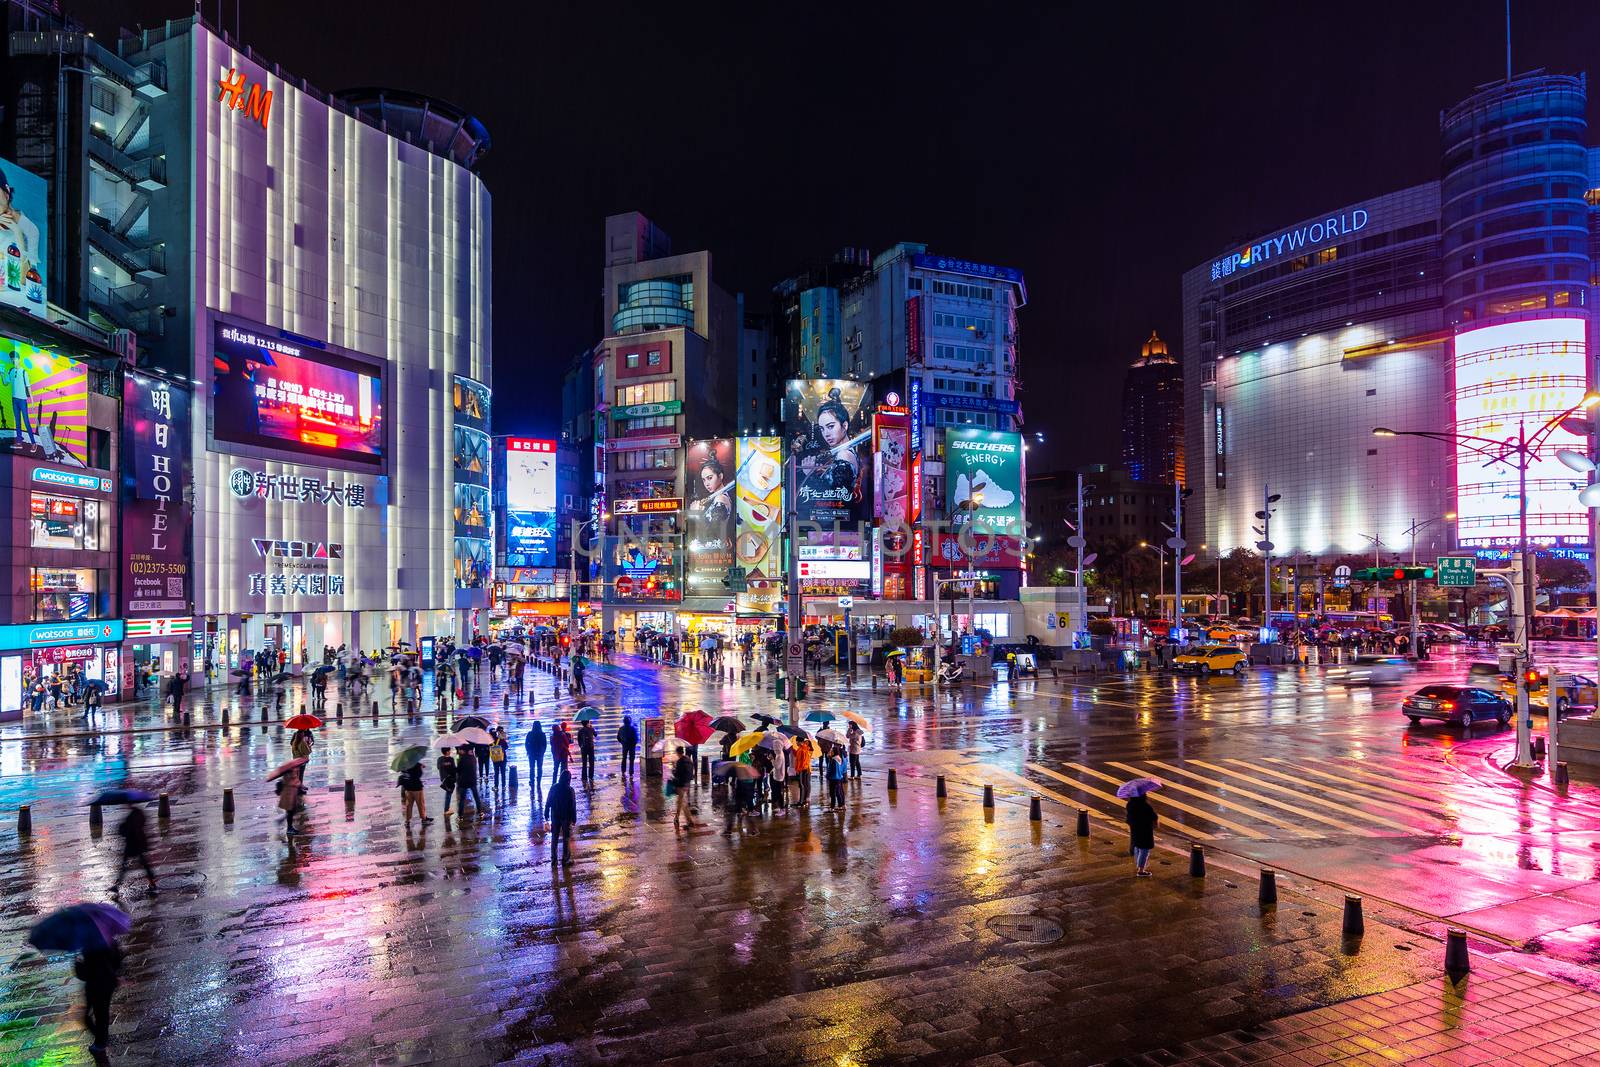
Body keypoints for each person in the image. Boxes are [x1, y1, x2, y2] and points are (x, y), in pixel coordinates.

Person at [76, 942, 122, 1063]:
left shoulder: (88, 946)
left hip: (96, 985)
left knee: (95, 1014)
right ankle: (102, 1039)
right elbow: (118, 961)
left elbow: (83, 974)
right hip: (109, 982)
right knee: (101, 1012)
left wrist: (78, 962)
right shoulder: (108, 940)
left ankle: (101, 1041)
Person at [110, 804, 157, 897]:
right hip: (136, 843)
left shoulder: (133, 815)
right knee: (143, 863)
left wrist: (123, 828)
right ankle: (151, 881)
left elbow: (131, 829)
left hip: (133, 844)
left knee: (126, 865)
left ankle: (117, 886)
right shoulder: (138, 813)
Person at [543, 768, 577, 865]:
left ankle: (554, 860)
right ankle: (565, 860)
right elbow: (572, 806)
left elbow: (548, 800)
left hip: (555, 816)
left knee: (555, 838)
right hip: (566, 818)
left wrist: (546, 812)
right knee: (566, 838)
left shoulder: (554, 787)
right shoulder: (570, 790)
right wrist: (574, 819)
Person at [1125, 788, 1158, 877]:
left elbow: (1128, 817)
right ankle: (1141, 870)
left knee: (1137, 846)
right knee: (1145, 849)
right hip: (1145, 830)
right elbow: (1154, 817)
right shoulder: (1145, 806)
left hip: (1135, 829)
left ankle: (1138, 865)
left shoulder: (1130, 804)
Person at [670, 746, 701, 830]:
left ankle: (679, 818)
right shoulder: (688, 760)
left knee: (681, 802)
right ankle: (687, 820)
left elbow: (677, 774)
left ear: (678, 752)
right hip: (686, 784)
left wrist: (673, 767)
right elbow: (691, 771)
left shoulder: (680, 762)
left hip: (681, 784)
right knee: (682, 802)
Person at [454, 744, 486, 818]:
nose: (459, 751)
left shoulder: (462, 759)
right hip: (472, 781)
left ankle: (460, 815)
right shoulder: (473, 758)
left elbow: (458, 770)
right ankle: (480, 812)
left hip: (463, 782)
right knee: (476, 797)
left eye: (460, 750)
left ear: (464, 750)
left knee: (462, 799)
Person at [398, 759, 432, 827]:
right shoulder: (416, 765)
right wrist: (420, 767)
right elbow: (419, 775)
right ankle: (424, 819)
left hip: (408, 788)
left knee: (408, 805)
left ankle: (407, 821)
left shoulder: (403, 765)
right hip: (417, 788)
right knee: (420, 804)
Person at [277, 763, 305, 836]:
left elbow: (296, 782)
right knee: (290, 812)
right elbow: (294, 782)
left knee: (291, 812)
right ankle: (289, 828)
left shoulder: (292, 772)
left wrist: (300, 785)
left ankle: (283, 821)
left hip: (291, 795)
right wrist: (299, 785)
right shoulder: (289, 773)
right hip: (288, 796)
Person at [525, 722, 547, 793]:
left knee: (532, 768)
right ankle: (539, 781)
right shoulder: (542, 734)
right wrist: (543, 752)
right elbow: (545, 744)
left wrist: (528, 750)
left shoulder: (530, 734)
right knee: (539, 768)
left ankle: (532, 780)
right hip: (540, 754)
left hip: (531, 753)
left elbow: (526, 743)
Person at [436, 747, 458, 816]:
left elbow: (438, 767)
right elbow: (454, 769)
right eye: (449, 750)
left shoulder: (439, 759)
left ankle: (447, 808)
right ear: (447, 752)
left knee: (448, 793)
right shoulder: (451, 759)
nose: (450, 751)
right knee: (449, 793)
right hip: (450, 779)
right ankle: (446, 809)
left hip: (443, 779)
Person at [827, 744, 848, 809]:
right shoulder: (839, 758)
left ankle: (832, 807)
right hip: (840, 777)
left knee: (833, 793)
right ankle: (841, 805)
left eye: (832, 751)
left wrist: (828, 776)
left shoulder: (833, 760)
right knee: (839, 792)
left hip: (833, 778)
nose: (831, 751)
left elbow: (831, 770)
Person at [576, 719, 597, 786]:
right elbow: (596, 735)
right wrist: (591, 727)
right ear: (587, 723)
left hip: (584, 748)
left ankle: (584, 777)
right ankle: (591, 776)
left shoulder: (580, 730)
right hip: (591, 747)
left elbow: (579, 740)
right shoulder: (591, 729)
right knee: (591, 762)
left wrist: (581, 746)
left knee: (584, 763)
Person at [489, 727, 509, 794]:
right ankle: (503, 786)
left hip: (495, 760)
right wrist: (502, 749)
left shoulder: (490, 742)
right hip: (503, 758)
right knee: (503, 772)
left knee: (496, 773)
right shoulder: (500, 739)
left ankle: (496, 786)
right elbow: (506, 746)